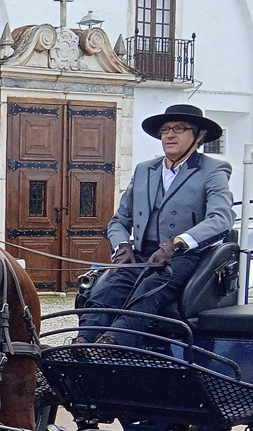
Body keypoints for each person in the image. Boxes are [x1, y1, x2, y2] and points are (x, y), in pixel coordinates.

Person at [75, 104, 234, 345]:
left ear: (199, 136)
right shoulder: (144, 170)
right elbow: (119, 221)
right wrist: (122, 247)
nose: (170, 134)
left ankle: (113, 344)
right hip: (141, 254)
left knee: (150, 290)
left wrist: (178, 243)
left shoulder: (212, 170)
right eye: (165, 129)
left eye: (180, 128)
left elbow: (221, 219)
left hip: (184, 256)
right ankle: (82, 342)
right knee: (107, 290)